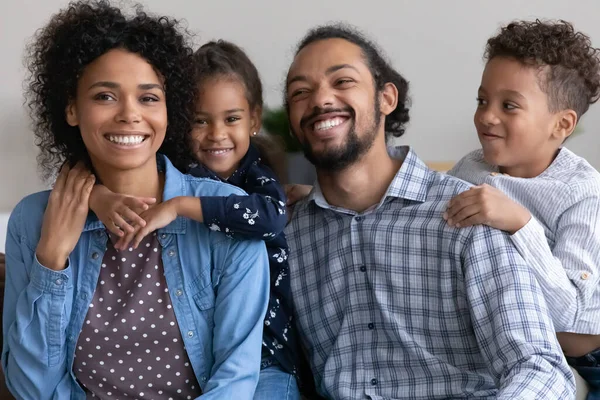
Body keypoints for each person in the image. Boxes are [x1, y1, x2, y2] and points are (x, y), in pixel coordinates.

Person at [283, 23, 575, 399]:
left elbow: (541, 369)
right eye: (300, 92)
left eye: (342, 82)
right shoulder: (288, 237)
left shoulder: (469, 213)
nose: (321, 100)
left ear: (386, 98)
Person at [2, 1, 269, 399]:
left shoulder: (224, 212)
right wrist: (52, 258)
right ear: (72, 108)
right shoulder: (32, 220)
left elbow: (236, 380)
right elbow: (30, 389)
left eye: (148, 98)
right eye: (105, 96)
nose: (130, 114)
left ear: (169, 108)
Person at [90, 40, 302, 400]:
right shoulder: (177, 170)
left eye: (231, 119)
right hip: (203, 355)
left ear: (253, 119)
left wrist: (179, 207)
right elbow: (87, 165)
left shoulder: (256, 177)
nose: (216, 134)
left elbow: (269, 218)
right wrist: (99, 197)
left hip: (267, 353)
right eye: (200, 121)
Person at [445, 20, 600, 398]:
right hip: (503, 343)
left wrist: (520, 222)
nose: (487, 116)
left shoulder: (583, 193)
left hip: (582, 357)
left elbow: (570, 313)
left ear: (561, 125)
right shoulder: (471, 168)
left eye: (508, 105)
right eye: (483, 100)